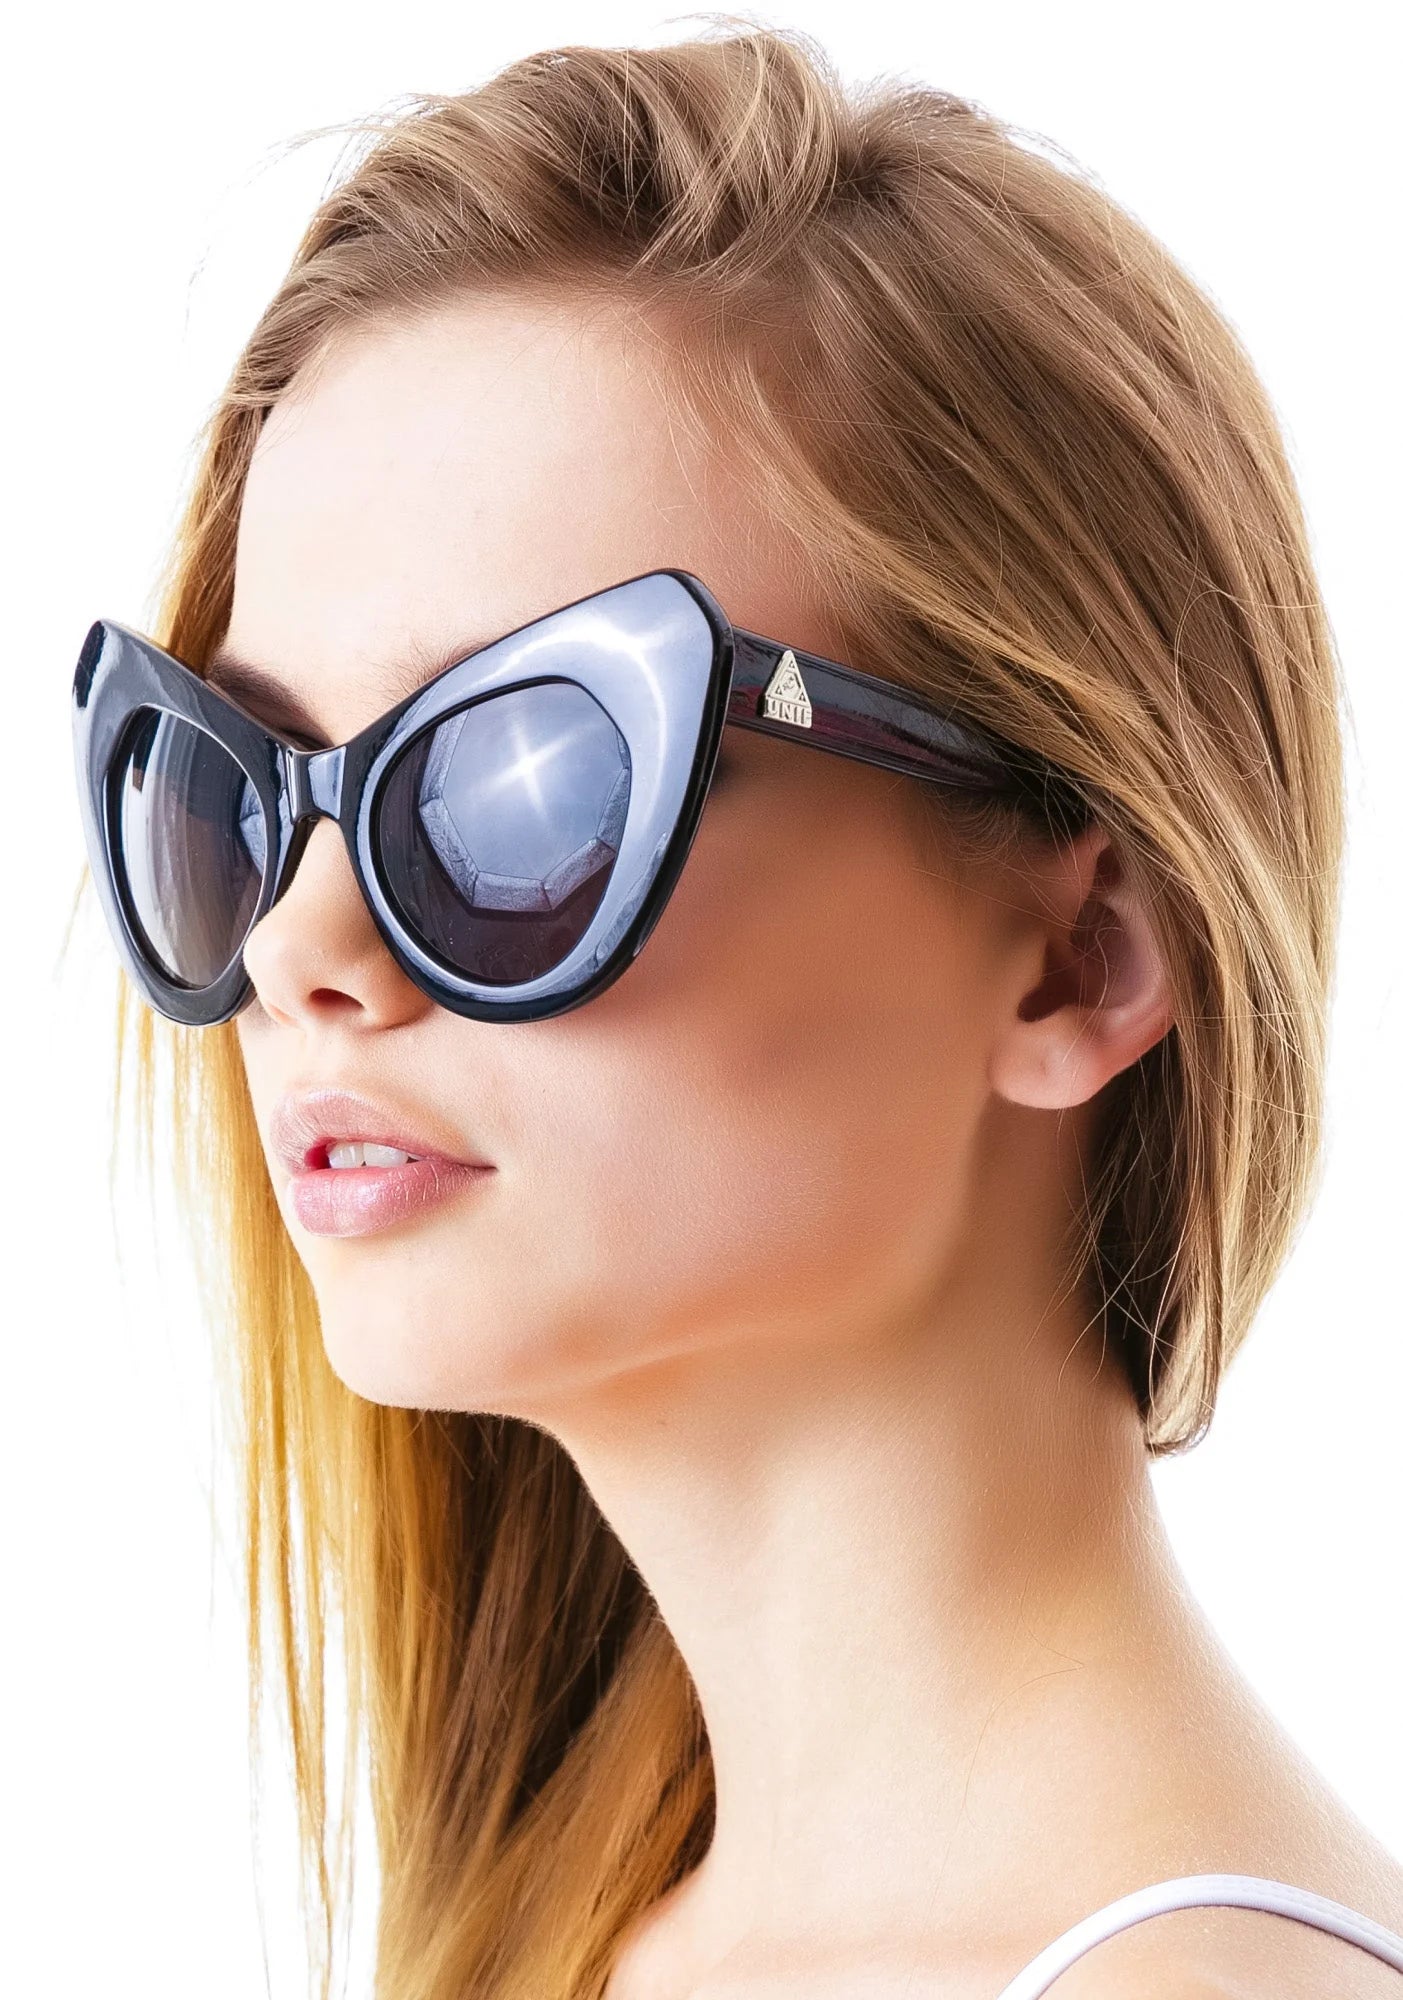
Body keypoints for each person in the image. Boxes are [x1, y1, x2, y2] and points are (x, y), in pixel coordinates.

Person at [68, 22, 1403, 2000]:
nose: (299, 948)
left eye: (525, 780)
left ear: (1082, 952)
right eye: (242, 789)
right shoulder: (602, 1932)